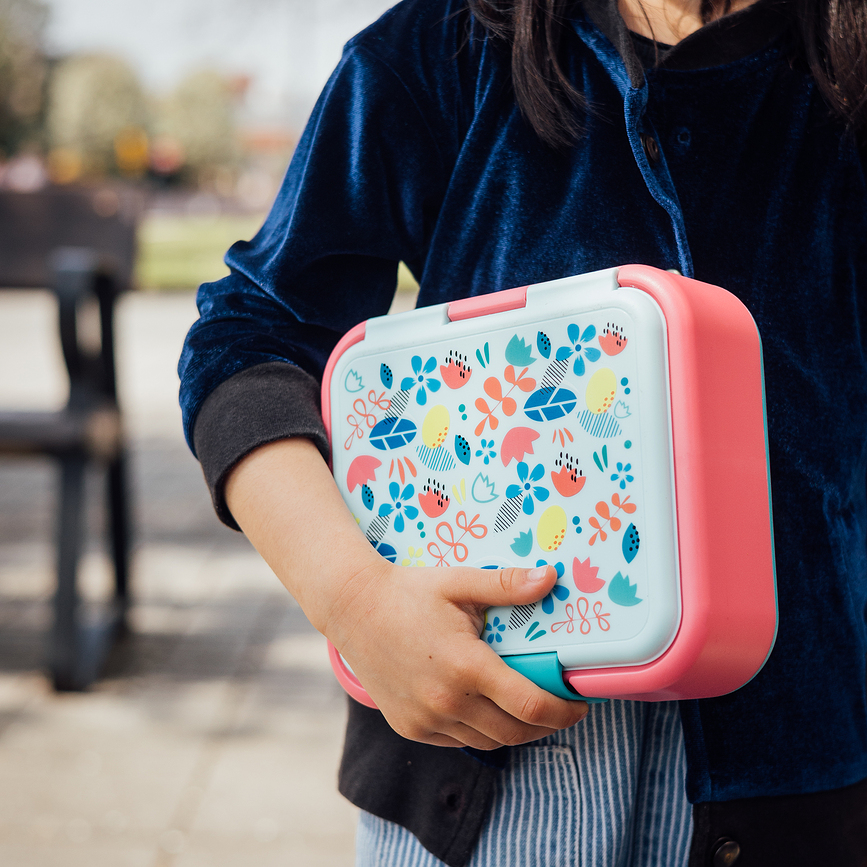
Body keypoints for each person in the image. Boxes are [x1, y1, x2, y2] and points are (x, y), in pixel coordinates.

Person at [178, 0, 867, 863]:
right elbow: (248, 338)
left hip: (802, 778)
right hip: (480, 757)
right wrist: (356, 602)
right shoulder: (441, 46)